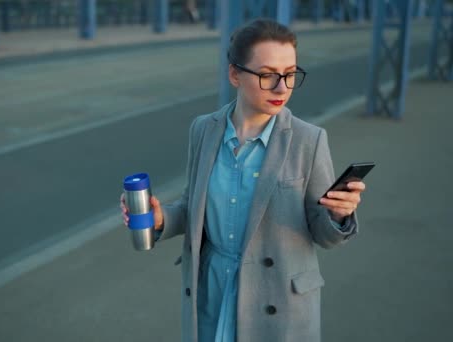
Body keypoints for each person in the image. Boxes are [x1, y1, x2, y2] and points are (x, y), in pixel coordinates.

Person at [120, 18, 366, 342]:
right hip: (212, 291)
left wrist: (338, 214)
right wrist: (162, 216)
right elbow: (194, 204)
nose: (282, 88)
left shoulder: (310, 140)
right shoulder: (203, 129)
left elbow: (323, 234)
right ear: (235, 74)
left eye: (290, 74)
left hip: (277, 300)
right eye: (267, 75)